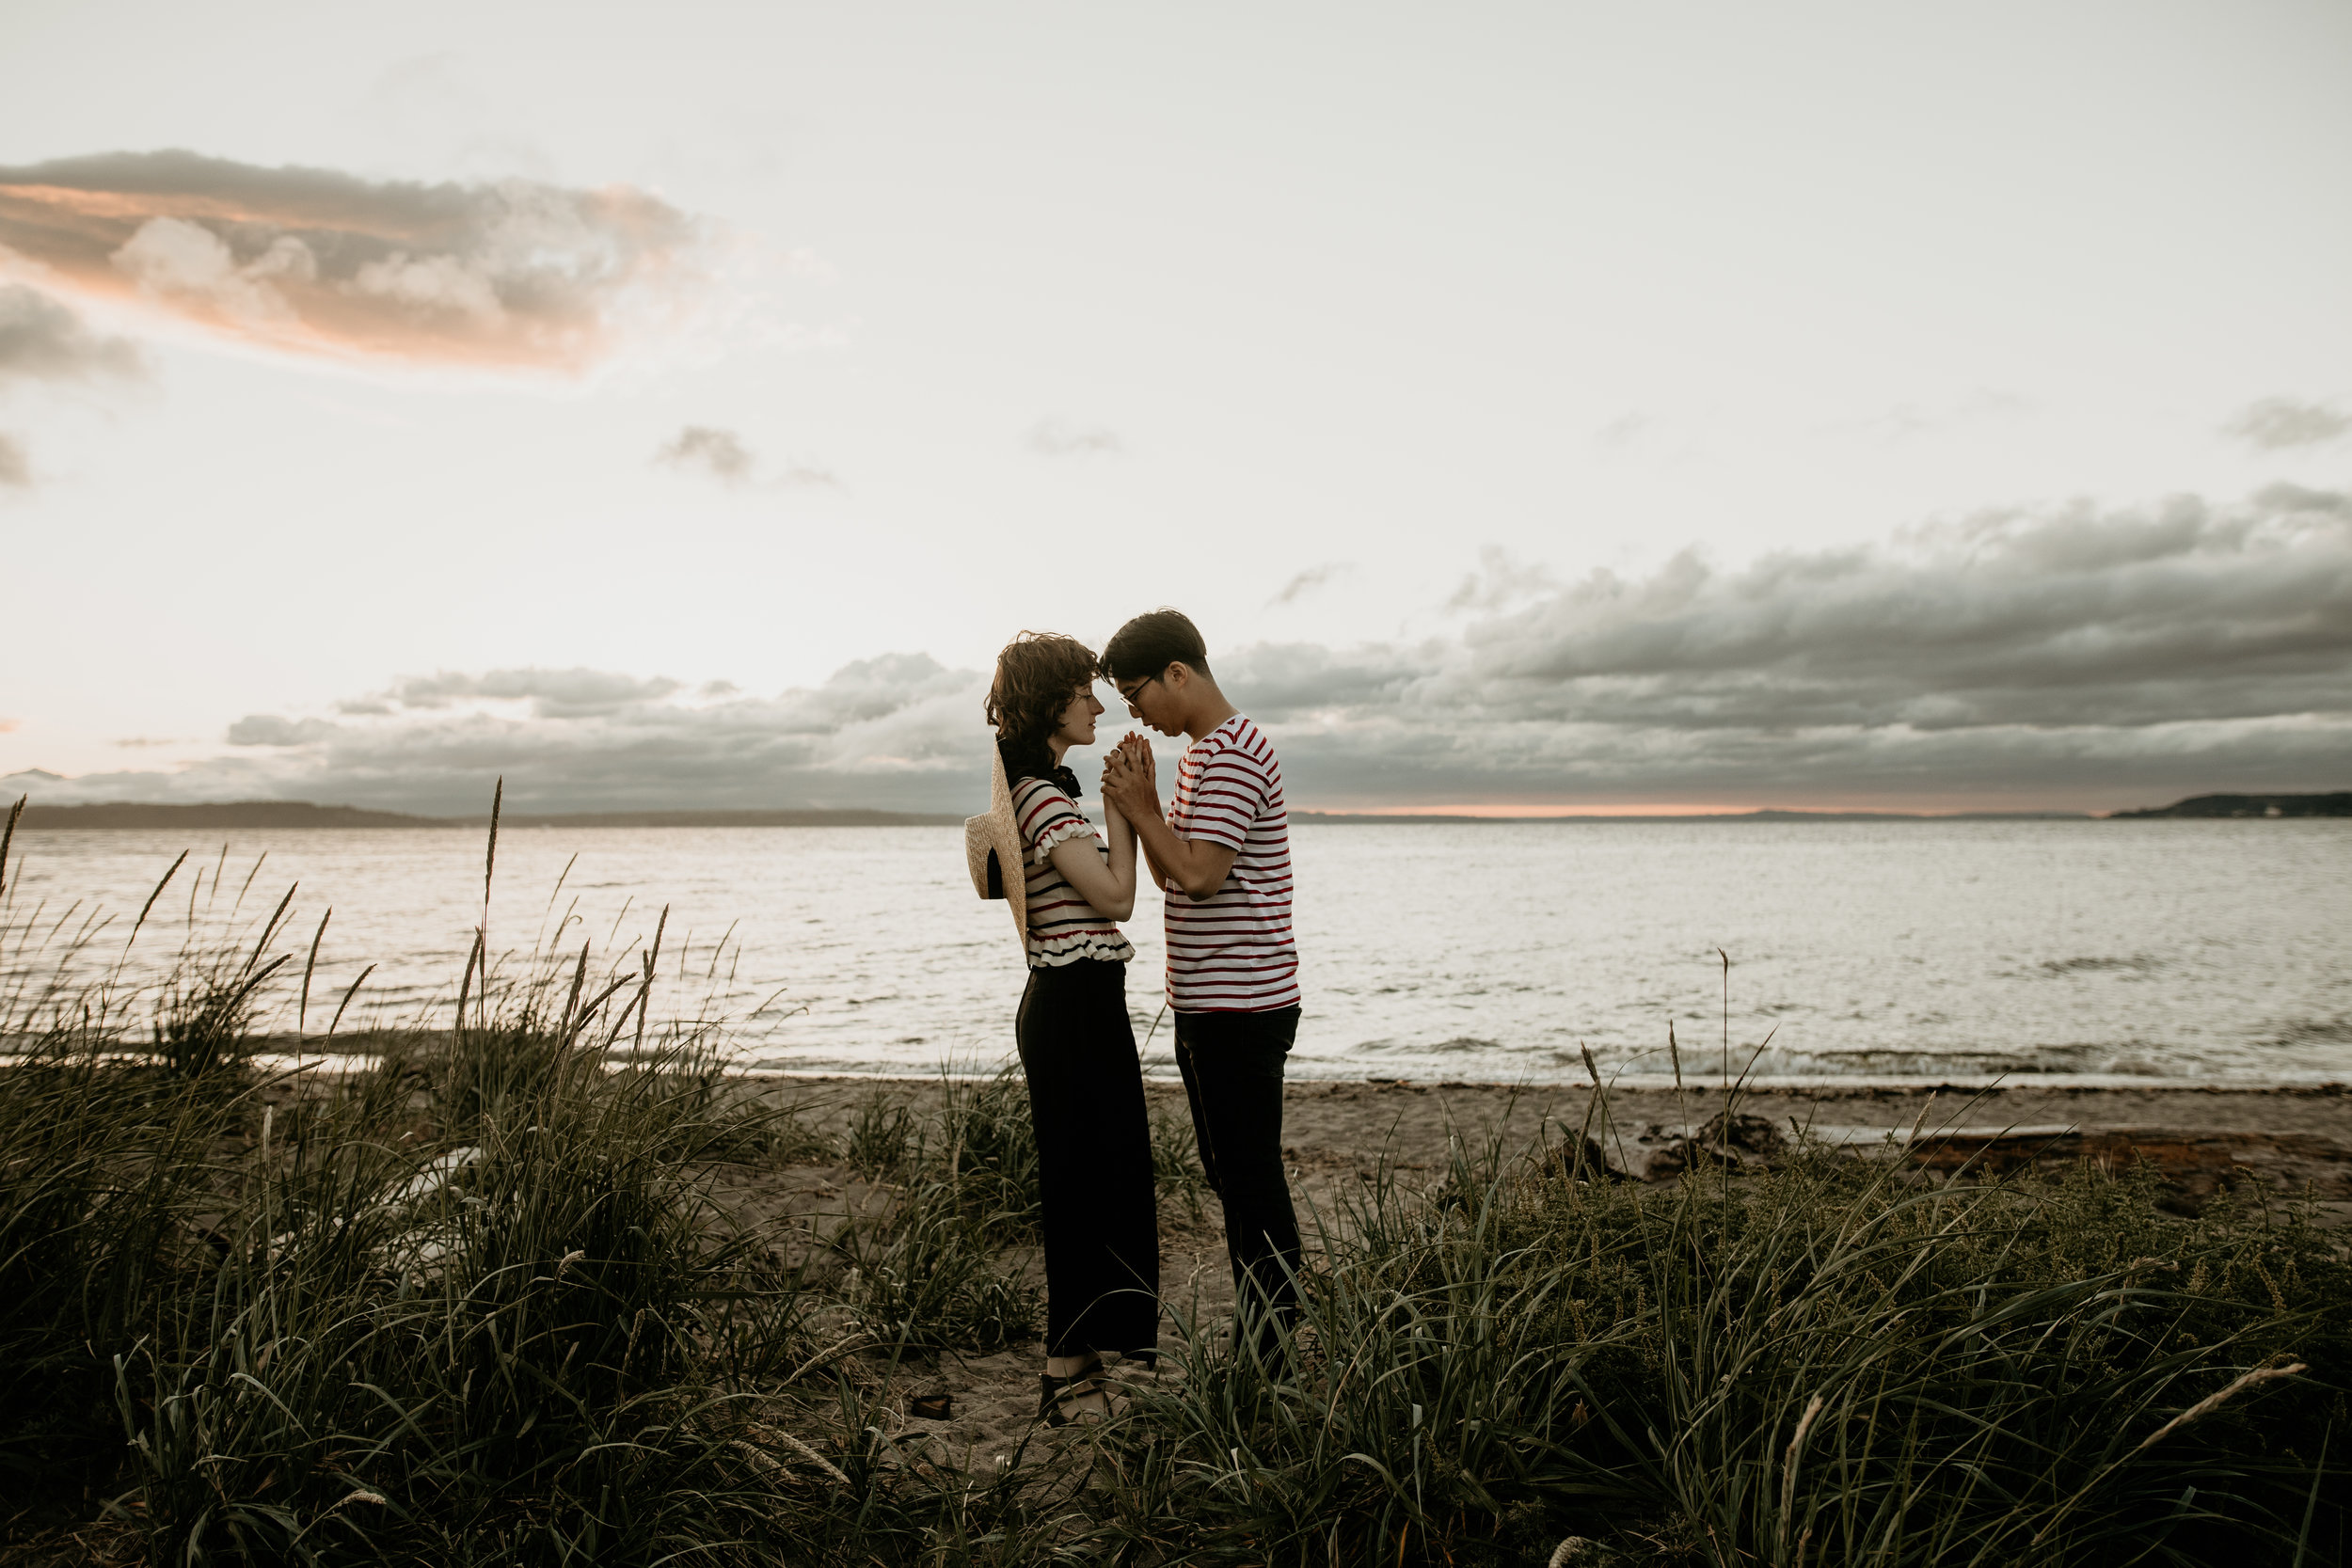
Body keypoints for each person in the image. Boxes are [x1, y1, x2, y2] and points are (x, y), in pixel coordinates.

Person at [1095, 609, 1302, 1361]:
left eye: (1134, 693)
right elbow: (1168, 871)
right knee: (1230, 1174)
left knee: (1248, 1177)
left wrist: (1142, 806)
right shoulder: (1203, 757)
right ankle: (1267, 1328)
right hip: (1209, 1002)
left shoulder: (1235, 753)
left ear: (1177, 673)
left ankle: (1273, 1335)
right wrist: (1144, 802)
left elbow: (1201, 873)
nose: (1135, 713)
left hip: (1242, 1005)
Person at [963, 631, 1158, 1425]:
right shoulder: (1045, 800)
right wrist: (1124, 805)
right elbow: (1116, 898)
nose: (1099, 703)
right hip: (1073, 1003)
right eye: (1085, 691)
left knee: (1092, 1177)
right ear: (1052, 701)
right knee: (1087, 1182)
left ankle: (1075, 1359)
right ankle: (1063, 1368)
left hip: (1073, 1000)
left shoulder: (1040, 790)